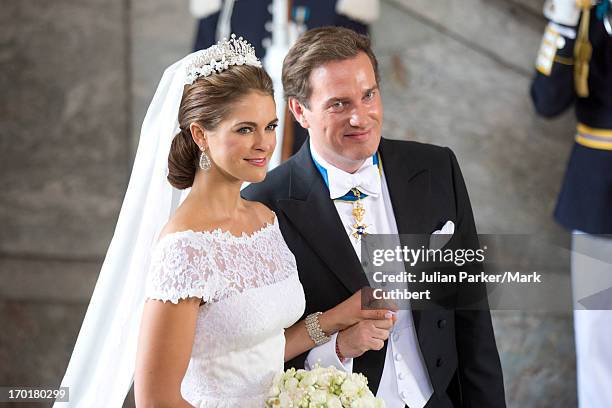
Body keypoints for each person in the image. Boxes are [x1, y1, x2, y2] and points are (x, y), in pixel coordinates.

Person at [55, 35, 395, 408]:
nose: (264, 143)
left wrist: (337, 319)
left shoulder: (263, 218)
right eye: (245, 129)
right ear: (201, 134)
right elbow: (156, 401)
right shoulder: (184, 248)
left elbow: (259, 350)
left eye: (270, 126)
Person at [243, 26, 506, 407]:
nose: (360, 117)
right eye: (339, 104)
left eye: (369, 96)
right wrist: (338, 348)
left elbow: (472, 317)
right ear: (300, 111)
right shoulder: (264, 204)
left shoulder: (436, 169)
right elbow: (256, 353)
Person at [530, 1, 612, 406]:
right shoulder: (586, 10)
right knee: (598, 341)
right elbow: (546, 100)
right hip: (595, 194)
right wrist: (562, 22)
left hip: (594, 189)